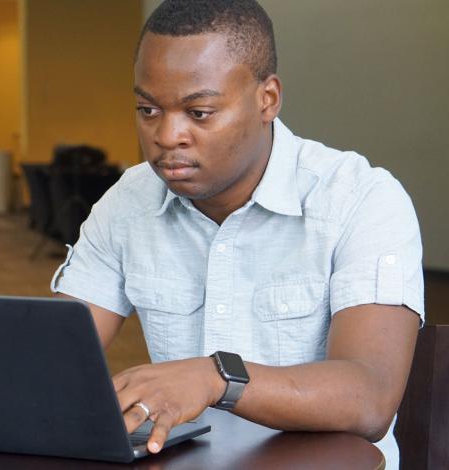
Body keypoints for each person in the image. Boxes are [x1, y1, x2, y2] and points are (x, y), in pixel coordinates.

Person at [51, 1, 423, 467]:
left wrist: (217, 377)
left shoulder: (360, 199)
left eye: (199, 112)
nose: (167, 135)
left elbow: (369, 398)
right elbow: (52, 357)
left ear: (267, 98)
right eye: (148, 109)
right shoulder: (129, 201)